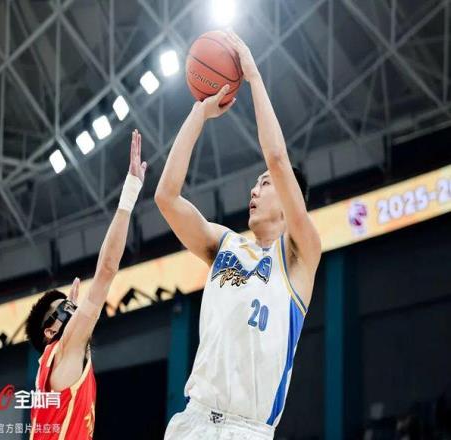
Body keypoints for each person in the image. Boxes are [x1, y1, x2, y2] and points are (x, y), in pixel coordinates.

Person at [155, 31, 321, 439]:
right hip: (193, 420)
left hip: (246, 430)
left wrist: (254, 77)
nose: (254, 190)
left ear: (290, 200)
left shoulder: (301, 255)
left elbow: (277, 158)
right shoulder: (224, 244)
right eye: (256, 183)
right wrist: (199, 114)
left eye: (265, 184)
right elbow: (166, 197)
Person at [25, 130, 147, 439]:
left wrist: (72, 312)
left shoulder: (54, 366)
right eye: (64, 310)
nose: (73, 311)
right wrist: (130, 192)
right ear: (50, 332)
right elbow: (106, 270)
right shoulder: (64, 348)